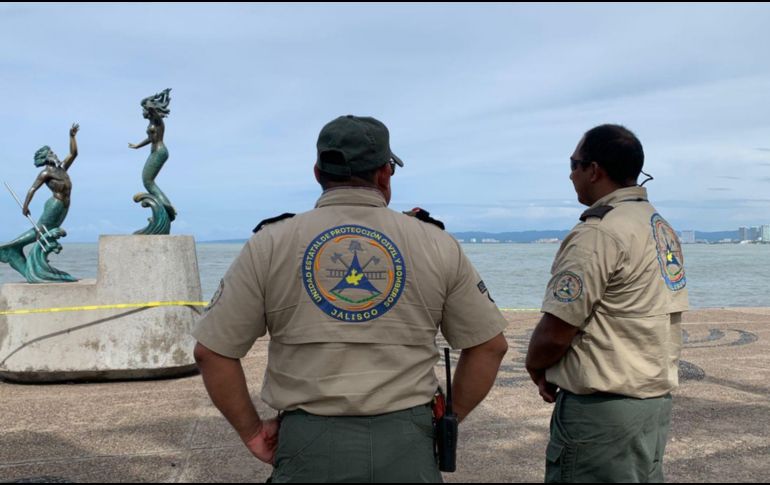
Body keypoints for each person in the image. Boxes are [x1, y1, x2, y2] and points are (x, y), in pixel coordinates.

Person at [193, 115, 509, 483]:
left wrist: (252, 432)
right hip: (408, 443)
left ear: (318, 173)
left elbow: (211, 352)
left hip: (308, 446)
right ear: (385, 174)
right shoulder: (436, 243)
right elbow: (490, 347)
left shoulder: (271, 242)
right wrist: (445, 422)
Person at [525, 124, 689, 483]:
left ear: (594, 170)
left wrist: (536, 366)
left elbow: (557, 330)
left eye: (573, 164)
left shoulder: (599, 232)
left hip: (602, 415)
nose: (570, 175)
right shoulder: (659, 227)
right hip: (651, 404)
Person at [0, 123, 79, 279]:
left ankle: (24, 254)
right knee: (41, 231)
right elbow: (33, 189)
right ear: (46, 157)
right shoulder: (45, 173)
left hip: (65, 205)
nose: (55, 154)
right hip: (55, 204)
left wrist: (72, 137)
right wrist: (25, 206)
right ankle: (11, 247)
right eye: (51, 153)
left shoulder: (62, 168)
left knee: (48, 231)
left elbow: (74, 153)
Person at [129, 88, 176, 221]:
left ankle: (166, 206)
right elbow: (150, 138)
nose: (142, 112)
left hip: (160, 152)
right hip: (155, 151)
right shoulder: (151, 123)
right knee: (147, 181)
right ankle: (165, 205)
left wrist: (147, 103)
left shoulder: (158, 121)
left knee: (148, 181)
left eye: (144, 109)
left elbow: (152, 110)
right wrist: (137, 146)